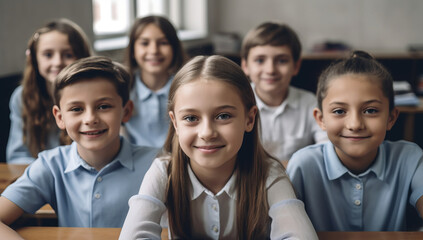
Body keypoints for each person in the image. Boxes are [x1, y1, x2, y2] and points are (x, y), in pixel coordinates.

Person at [119, 55, 317, 239]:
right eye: (191, 118)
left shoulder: (269, 174)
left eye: (223, 116)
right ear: (175, 123)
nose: (207, 132)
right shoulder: (163, 172)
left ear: (249, 119)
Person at [0, 56, 159, 239]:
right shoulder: (51, 165)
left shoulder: (157, 164)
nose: (90, 118)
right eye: (76, 109)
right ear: (59, 117)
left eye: (103, 106)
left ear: (126, 111)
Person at [286, 50, 423, 231]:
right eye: (339, 111)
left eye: (370, 110)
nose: (355, 124)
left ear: (391, 118)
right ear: (321, 119)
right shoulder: (304, 164)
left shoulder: (408, 158)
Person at [241, 22, 328, 165]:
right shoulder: (236, 102)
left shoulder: (310, 103)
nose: (270, 70)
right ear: (245, 66)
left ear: (296, 66)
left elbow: (327, 151)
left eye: (281, 60)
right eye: (260, 60)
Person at [6, 18, 92, 164]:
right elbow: (17, 156)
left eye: (68, 55)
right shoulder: (22, 97)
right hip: (38, 177)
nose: (57, 62)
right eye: (48, 55)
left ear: (82, 58)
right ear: (34, 59)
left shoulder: (95, 96)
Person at [122, 15, 186, 148]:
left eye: (163, 43)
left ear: (174, 49)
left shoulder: (186, 89)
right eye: (145, 43)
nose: (154, 50)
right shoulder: (123, 88)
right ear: (133, 50)